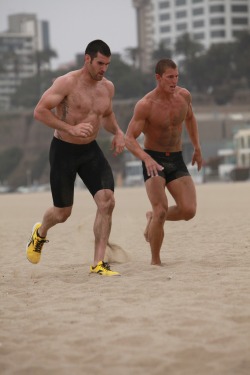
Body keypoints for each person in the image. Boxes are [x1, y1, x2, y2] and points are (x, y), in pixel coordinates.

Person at [26, 40, 125, 276]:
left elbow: (107, 115)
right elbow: (40, 111)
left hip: (90, 150)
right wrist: (69, 129)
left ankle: (98, 263)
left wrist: (118, 132)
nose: (104, 69)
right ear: (87, 59)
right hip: (63, 150)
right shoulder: (66, 83)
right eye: (100, 63)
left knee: (107, 201)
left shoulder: (107, 88)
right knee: (62, 213)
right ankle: (39, 233)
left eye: (107, 65)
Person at [125, 58, 202, 266]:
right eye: (170, 77)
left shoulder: (184, 96)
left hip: (176, 158)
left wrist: (197, 147)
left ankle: (152, 218)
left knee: (189, 211)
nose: (174, 81)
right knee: (161, 209)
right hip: (154, 160)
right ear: (158, 78)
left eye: (176, 76)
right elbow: (129, 139)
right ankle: (155, 262)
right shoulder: (146, 105)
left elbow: (190, 119)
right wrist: (146, 158)